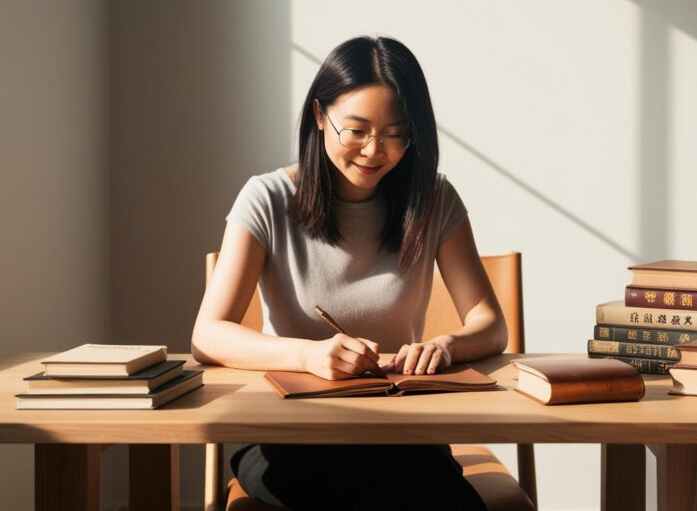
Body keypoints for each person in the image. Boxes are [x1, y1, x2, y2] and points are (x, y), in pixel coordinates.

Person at [191, 36, 506, 510]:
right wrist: (309, 357)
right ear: (320, 116)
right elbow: (208, 335)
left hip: (397, 432)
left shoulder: (432, 200)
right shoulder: (268, 199)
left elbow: (490, 323)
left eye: (395, 133)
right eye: (355, 130)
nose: (374, 151)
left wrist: (447, 344)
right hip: (286, 432)